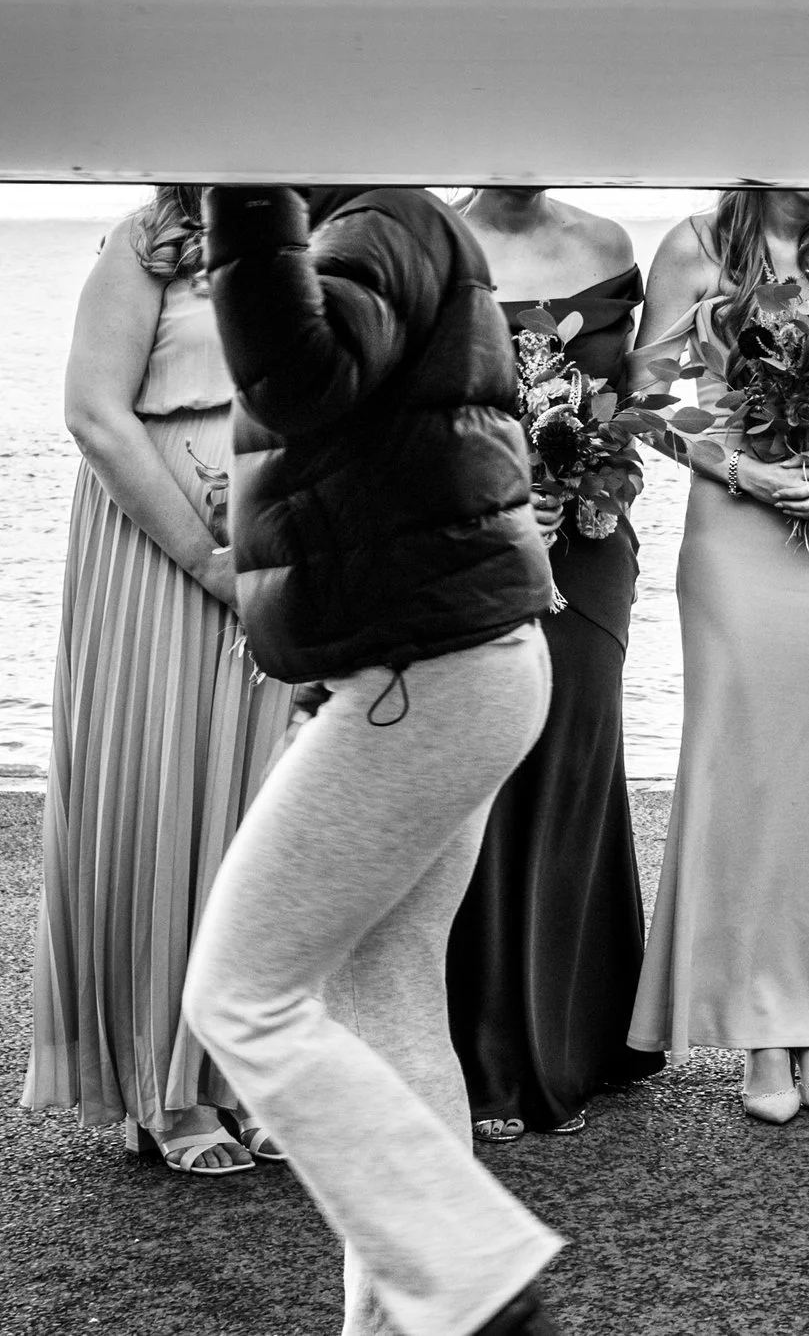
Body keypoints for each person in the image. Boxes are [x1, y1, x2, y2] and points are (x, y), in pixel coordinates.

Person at [182, 184, 562, 1336]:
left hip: (425, 675)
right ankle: (406, 1316)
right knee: (384, 996)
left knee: (240, 992)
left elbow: (299, 380)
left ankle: (473, 1278)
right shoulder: (388, 227)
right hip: (446, 666)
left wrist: (245, 197)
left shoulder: (380, 222)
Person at [625, 189, 809, 1123]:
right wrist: (740, 466)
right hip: (736, 519)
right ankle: (758, 1023)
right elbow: (643, 398)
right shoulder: (694, 245)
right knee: (746, 765)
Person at [21, 187, 294, 1176]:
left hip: (281, 547)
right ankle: (164, 1086)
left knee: (259, 813)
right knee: (163, 795)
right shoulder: (144, 243)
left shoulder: (316, 236)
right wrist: (204, 556)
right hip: (156, 552)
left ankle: (242, 1070)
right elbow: (93, 414)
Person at [446, 188, 663, 1141]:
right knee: (484, 773)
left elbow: (638, 414)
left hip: (587, 550)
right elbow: (400, 418)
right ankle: (487, 1053)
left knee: (576, 764)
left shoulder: (608, 243)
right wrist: (499, 499)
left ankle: (575, 1033)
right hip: (466, 549)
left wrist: (595, 484)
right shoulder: (436, 242)